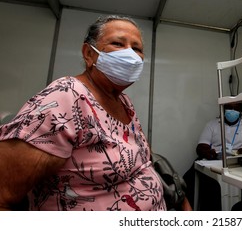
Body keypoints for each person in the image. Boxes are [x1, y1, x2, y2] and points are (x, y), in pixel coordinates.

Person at [0, 15, 186, 211]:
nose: (130, 55)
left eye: (137, 48)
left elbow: (142, 158)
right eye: (117, 43)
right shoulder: (67, 96)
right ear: (89, 54)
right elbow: (4, 192)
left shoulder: (124, 101)